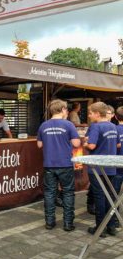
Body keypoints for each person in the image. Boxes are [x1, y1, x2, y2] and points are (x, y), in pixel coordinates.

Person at [37, 99, 80, 232]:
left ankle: (49, 222)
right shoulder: (68, 125)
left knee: (49, 193)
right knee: (68, 193)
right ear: (62, 110)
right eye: (66, 109)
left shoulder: (43, 125)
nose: (67, 111)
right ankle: (68, 224)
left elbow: (39, 145)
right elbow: (77, 144)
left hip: (49, 164)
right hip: (65, 164)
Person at [83, 101, 119, 237]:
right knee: (109, 196)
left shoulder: (96, 127)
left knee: (99, 197)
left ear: (98, 114)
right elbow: (118, 144)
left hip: (97, 168)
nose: (89, 116)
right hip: (110, 167)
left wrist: (85, 142)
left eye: (91, 113)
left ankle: (100, 228)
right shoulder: (113, 126)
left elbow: (91, 146)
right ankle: (111, 226)